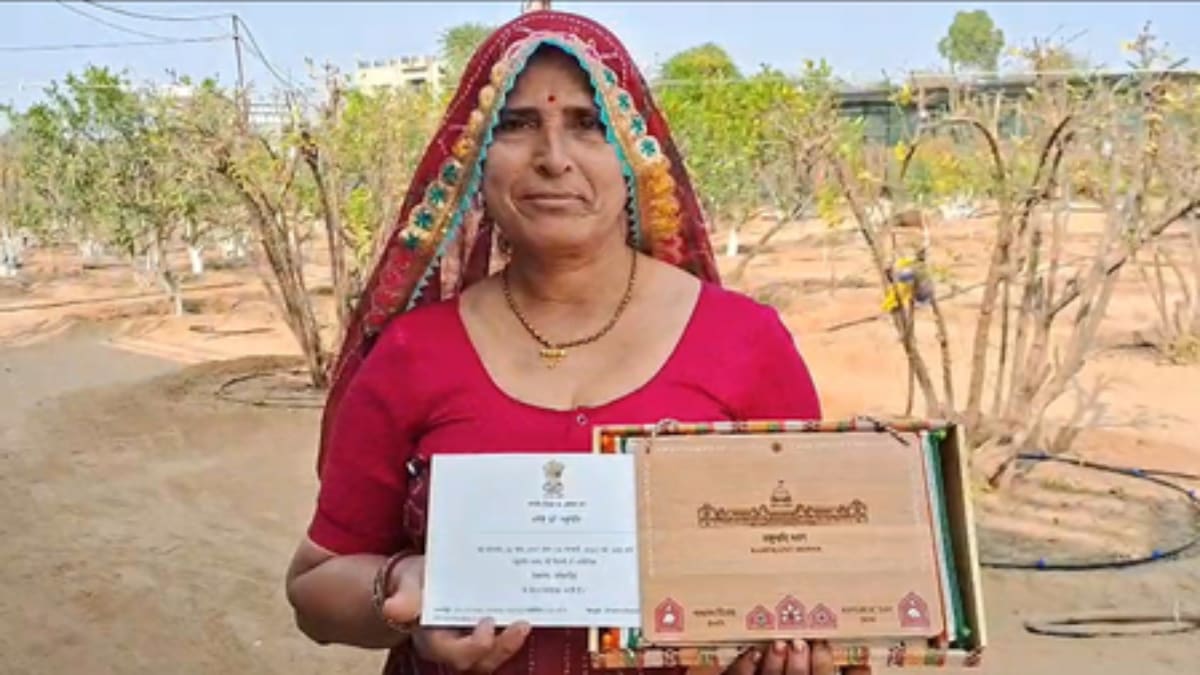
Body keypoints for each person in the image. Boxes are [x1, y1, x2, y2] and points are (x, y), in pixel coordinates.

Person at [285, 9, 869, 675]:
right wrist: (401, 587)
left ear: (635, 154)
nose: (553, 158)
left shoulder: (744, 341)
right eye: (516, 124)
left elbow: (821, 572)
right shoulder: (414, 352)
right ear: (475, 157)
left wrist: (792, 650)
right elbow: (314, 587)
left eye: (587, 124)